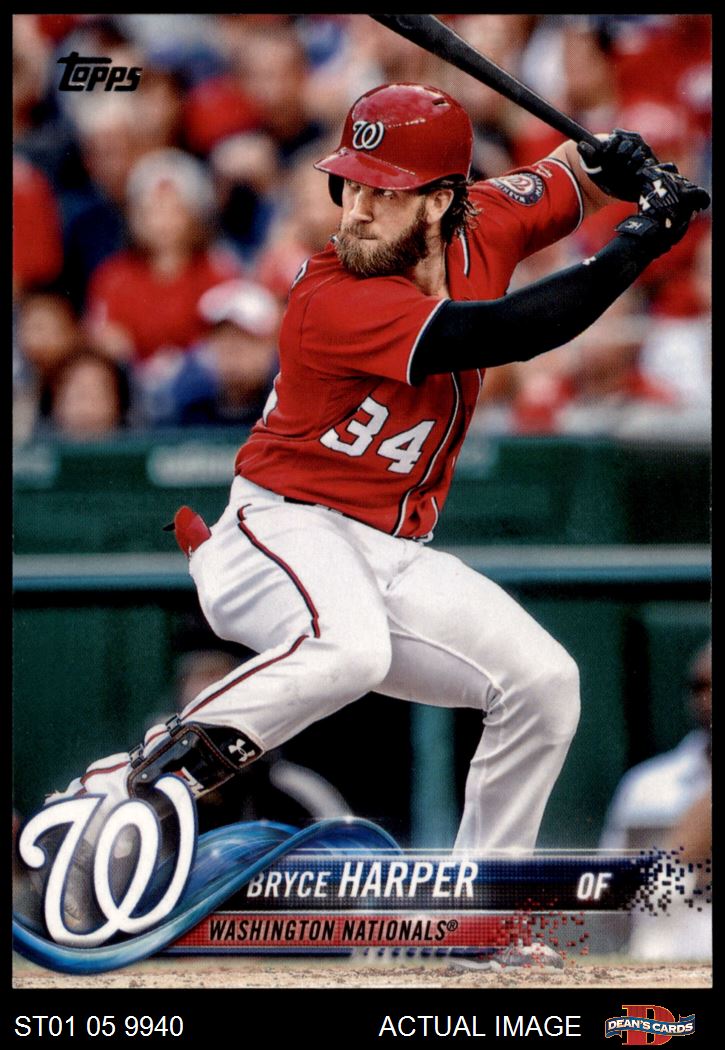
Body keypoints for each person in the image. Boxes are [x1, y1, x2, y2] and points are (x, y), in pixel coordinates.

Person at [35, 83, 709, 968]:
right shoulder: (330, 294)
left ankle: (478, 921)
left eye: (382, 189)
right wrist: (637, 242)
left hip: (384, 550)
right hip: (276, 531)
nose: (355, 206)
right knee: (349, 650)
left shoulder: (485, 218)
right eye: (348, 183)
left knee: (543, 683)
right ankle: (127, 784)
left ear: (439, 201)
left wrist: (613, 160)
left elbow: (565, 173)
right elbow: (512, 328)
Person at [599, 641, 711, 961]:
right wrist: (679, 857)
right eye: (700, 686)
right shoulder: (647, 785)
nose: (708, 697)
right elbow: (608, 902)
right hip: (665, 964)